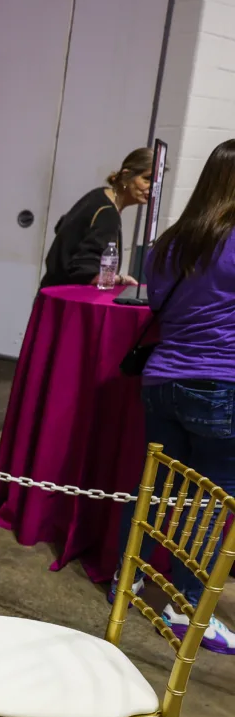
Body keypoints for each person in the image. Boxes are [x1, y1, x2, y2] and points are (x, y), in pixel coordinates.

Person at [110, 138, 235, 654]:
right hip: (221, 385)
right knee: (208, 503)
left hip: (161, 380)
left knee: (155, 487)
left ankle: (127, 575)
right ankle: (187, 608)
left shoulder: (168, 243)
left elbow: (157, 303)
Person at [40, 147, 153, 288]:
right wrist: (122, 280)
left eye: (156, 182)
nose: (152, 187)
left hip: (51, 292)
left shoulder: (98, 196)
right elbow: (87, 271)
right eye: (147, 179)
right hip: (65, 300)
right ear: (125, 176)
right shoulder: (107, 213)